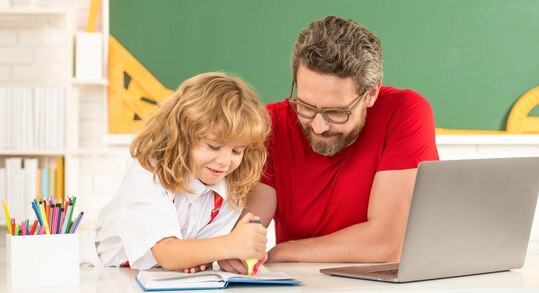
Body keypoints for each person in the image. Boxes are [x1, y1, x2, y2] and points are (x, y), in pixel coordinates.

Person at [219, 15, 439, 273]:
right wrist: (236, 248)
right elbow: (247, 228)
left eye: (336, 112)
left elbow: (386, 243)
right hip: (302, 284)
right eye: (306, 106)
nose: (319, 126)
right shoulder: (273, 124)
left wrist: (283, 251)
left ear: (371, 94)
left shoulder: (404, 112)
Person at [93, 72, 271, 272]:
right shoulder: (150, 171)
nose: (224, 162)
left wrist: (234, 254)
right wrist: (230, 244)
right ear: (183, 136)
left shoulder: (229, 189)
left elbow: (201, 251)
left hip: (158, 277)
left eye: (237, 151)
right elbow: (167, 253)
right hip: (103, 274)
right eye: (213, 146)